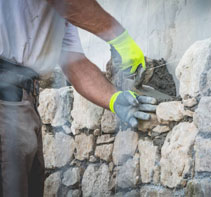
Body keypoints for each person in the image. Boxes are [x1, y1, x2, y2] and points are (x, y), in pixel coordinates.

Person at [0, 0, 157, 196]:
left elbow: (74, 61)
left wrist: (114, 98)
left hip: (23, 103)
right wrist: (119, 37)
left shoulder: (61, 18)